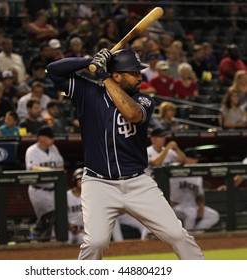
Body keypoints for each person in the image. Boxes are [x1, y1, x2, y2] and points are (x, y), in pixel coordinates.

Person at [46, 48, 204, 259]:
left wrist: (104, 76)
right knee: (95, 243)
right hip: (98, 183)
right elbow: (53, 70)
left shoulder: (144, 100)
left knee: (177, 234)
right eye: (134, 73)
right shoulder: (88, 93)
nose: (140, 77)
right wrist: (89, 61)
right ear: (117, 75)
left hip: (138, 183)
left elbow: (131, 113)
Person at [25, 126, 64, 241]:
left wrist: (49, 170)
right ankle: (36, 239)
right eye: (50, 137)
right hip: (39, 190)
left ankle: (42, 241)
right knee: (47, 219)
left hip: (53, 190)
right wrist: (51, 171)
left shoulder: (53, 149)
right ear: (41, 138)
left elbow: (61, 166)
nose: (52, 140)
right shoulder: (31, 151)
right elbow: (32, 168)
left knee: (56, 219)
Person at [169, 150, 220, 234]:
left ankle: (196, 235)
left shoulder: (197, 173)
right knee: (191, 214)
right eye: (193, 158)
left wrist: (201, 207)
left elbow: (200, 195)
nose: (196, 160)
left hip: (192, 205)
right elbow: (162, 187)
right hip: (176, 206)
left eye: (196, 158)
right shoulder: (173, 169)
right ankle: (188, 238)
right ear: (185, 158)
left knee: (214, 216)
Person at [67, 168, 84, 245]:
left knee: (85, 242)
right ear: (74, 181)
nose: (82, 182)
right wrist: (68, 226)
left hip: (83, 230)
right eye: (79, 179)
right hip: (68, 230)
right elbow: (61, 216)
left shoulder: (90, 196)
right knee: (66, 240)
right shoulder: (66, 196)